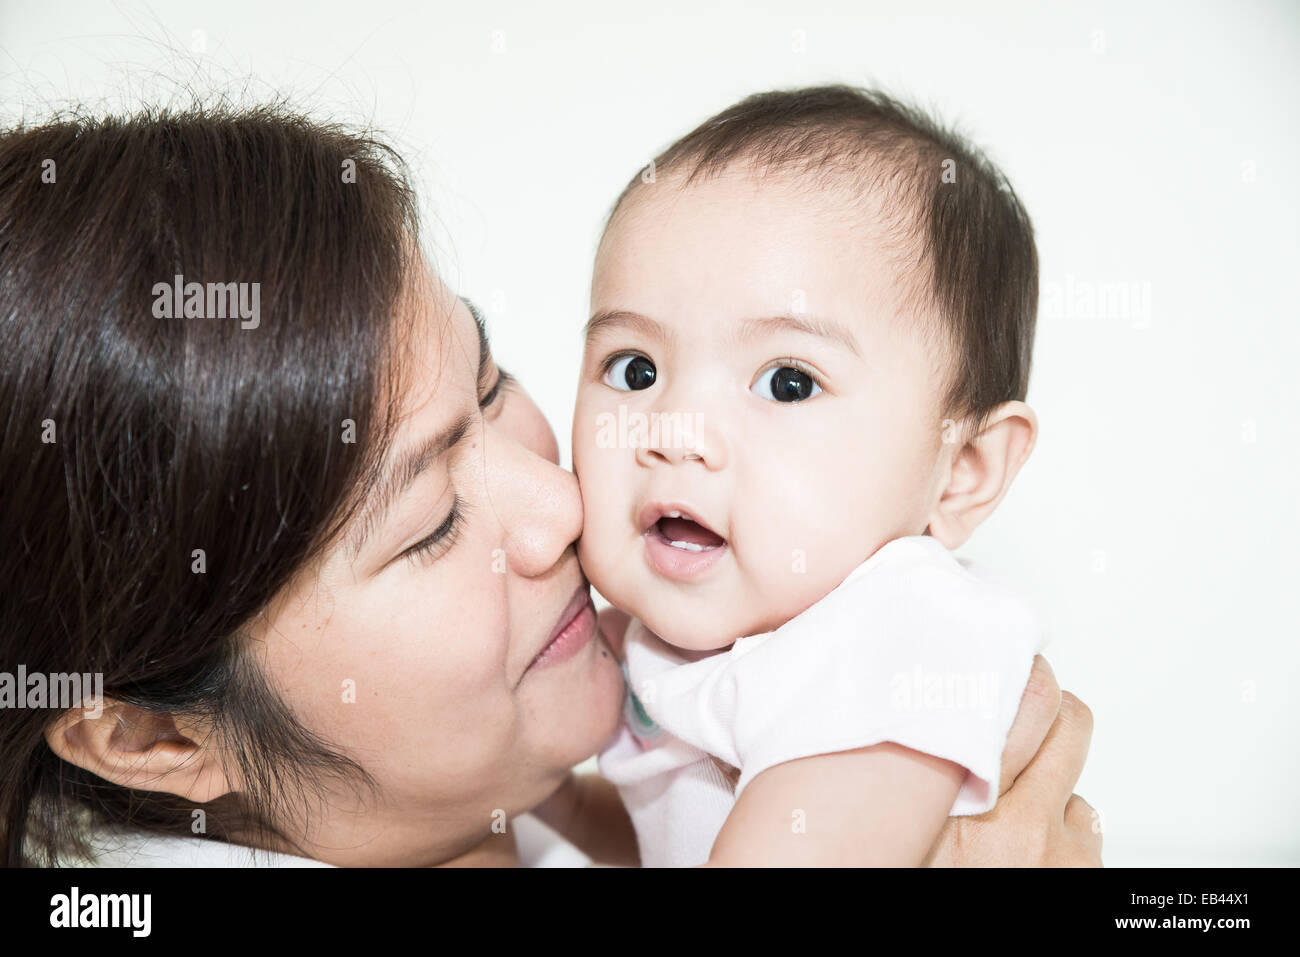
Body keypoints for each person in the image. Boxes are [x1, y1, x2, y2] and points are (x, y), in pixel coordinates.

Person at [0, 105, 1099, 867]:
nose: (561, 501)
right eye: (427, 525)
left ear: (964, 469)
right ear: (156, 740)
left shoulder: (892, 627)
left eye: (491, 387)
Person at [574, 86, 1060, 865]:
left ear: (961, 470)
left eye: (788, 382)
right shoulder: (645, 640)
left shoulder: (901, 628)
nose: (675, 432)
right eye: (635, 369)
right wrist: (557, 801)